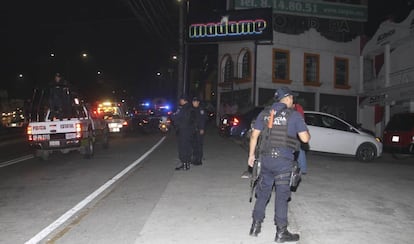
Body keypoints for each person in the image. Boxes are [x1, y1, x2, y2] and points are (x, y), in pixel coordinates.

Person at [248, 86, 310, 243]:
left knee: (263, 193)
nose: (293, 102)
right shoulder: (294, 115)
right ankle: (281, 232)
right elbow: (305, 139)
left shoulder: (265, 113)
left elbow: (254, 135)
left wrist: (251, 155)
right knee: (282, 196)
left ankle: (255, 226)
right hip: (283, 162)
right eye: (292, 99)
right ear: (288, 98)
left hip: (266, 160)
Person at [171, 95, 194, 171]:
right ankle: (187, 164)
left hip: (183, 130)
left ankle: (184, 164)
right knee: (188, 146)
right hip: (190, 130)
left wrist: (171, 115)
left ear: (184, 100)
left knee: (182, 147)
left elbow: (175, 117)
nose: (180, 102)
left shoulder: (182, 108)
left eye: (181, 100)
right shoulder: (191, 108)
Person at [191, 96, 207, 165]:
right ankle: (194, 158)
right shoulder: (192, 109)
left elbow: (202, 120)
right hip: (193, 130)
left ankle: (199, 160)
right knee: (194, 145)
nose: (194, 103)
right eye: (193, 102)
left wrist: (202, 128)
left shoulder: (200, 110)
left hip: (199, 130)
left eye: (195, 102)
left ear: (198, 102)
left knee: (199, 145)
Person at [293, 103, 308, 174]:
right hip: (297, 131)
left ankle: (302, 168)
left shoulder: (297, 108)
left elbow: (301, 119)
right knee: (299, 149)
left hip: (296, 131)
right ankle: (302, 168)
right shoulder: (298, 107)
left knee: (299, 149)